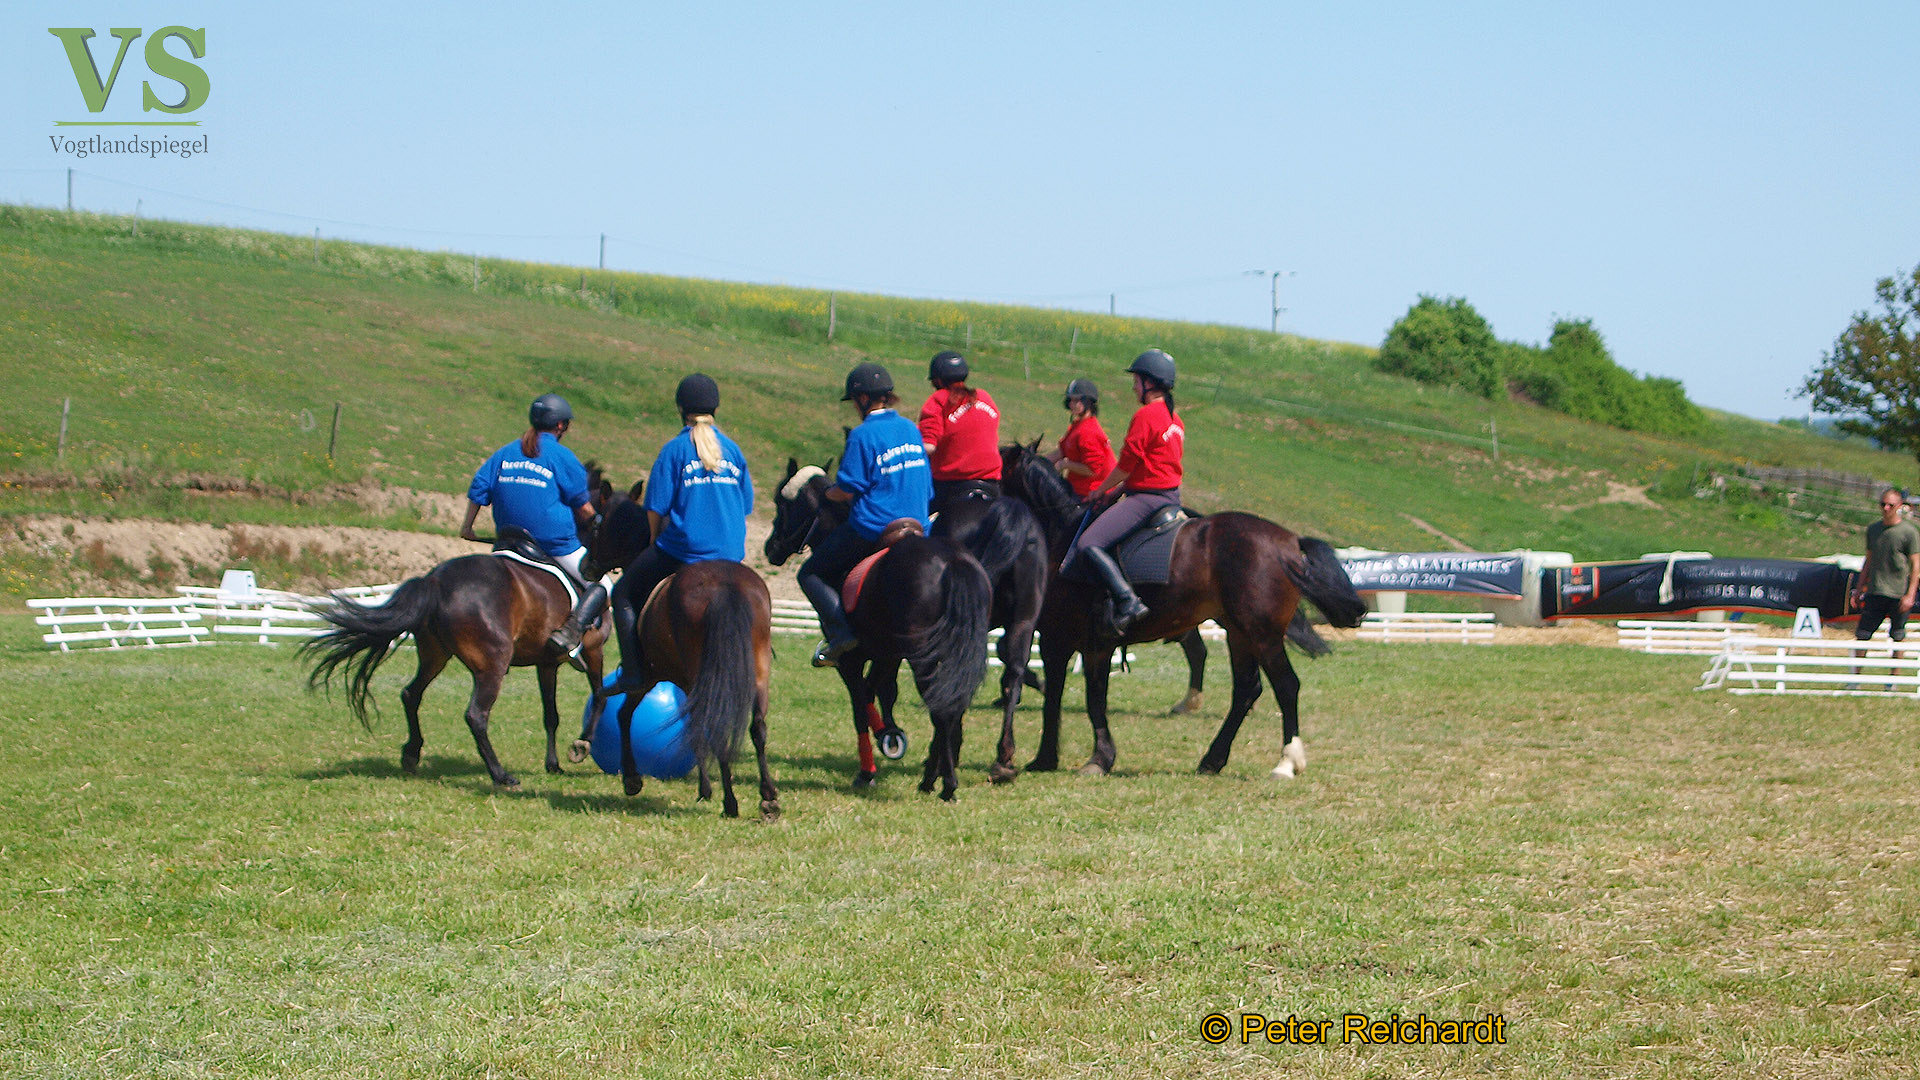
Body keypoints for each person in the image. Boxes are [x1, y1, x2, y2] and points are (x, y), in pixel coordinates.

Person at [598, 374, 754, 677]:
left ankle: (633, 672)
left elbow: (655, 508)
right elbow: (745, 505)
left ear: (681, 408)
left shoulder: (675, 450)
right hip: (730, 553)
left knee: (623, 594)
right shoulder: (733, 450)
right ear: (715, 408)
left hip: (684, 550)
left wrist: (654, 539)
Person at [799, 362, 933, 666]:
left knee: (810, 573)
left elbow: (847, 490)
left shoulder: (862, 435)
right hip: (919, 524)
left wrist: (826, 493)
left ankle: (841, 634)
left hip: (875, 526)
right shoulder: (910, 428)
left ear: (862, 399)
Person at [461, 394, 605, 656]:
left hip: (508, 540)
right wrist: (597, 523)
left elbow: (478, 489)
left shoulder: (505, 452)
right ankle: (571, 634)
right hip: (553, 544)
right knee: (604, 585)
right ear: (561, 426)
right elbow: (582, 506)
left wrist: (467, 528)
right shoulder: (561, 456)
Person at [1061, 349, 1185, 634]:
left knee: (1088, 543)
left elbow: (1126, 465)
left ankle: (1128, 600)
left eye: (1137, 380)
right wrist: (1118, 493)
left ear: (1149, 383)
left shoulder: (1147, 415)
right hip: (1169, 495)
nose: (1133, 386)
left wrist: (1101, 490)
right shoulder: (1175, 419)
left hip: (1147, 499)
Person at [918, 350, 1003, 515]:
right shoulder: (984, 397)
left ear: (937, 380)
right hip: (992, 483)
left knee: (916, 523)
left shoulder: (938, 400)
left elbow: (929, 447)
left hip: (950, 484)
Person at [1852, 486, 1920, 647]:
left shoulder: (1909, 532)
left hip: (1898, 592)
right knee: (1863, 634)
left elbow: (1916, 565)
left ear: (1899, 506)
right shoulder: (1874, 529)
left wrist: (1910, 595)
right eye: (1883, 504)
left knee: (1897, 636)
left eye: (1890, 505)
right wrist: (1859, 587)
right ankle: (1856, 671)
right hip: (1875, 590)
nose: (1886, 508)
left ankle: (1895, 672)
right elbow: (1868, 561)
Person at [1046, 378, 1116, 498]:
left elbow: (1092, 470)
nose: (1072, 404)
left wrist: (1066, 465)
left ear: (1088, 402)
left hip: (1091, 493)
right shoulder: (1078, 426)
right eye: (1070, 400)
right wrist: (1037, 461)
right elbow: (1062, 452)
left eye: (1077, 400)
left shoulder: (1089, 432)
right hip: (1077, 487)